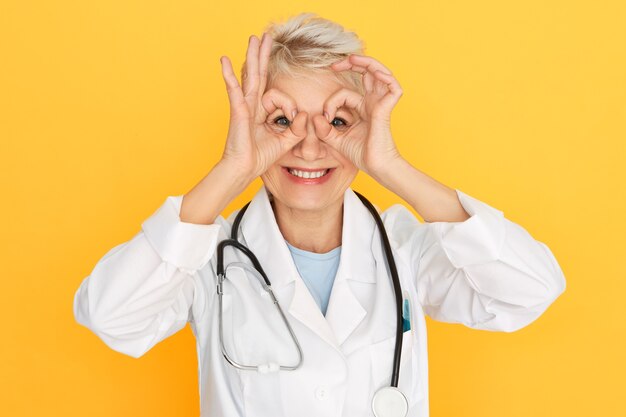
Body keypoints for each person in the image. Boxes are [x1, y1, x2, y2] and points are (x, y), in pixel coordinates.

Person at [73, 12, 566, 417]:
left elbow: (530, 291)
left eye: (337, 120)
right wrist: (232, 169)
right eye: (281, 120)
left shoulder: (406, 249)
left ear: (367, 129)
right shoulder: (209, 258)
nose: (309, 146)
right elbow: (110, 316)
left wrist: (390, 166)